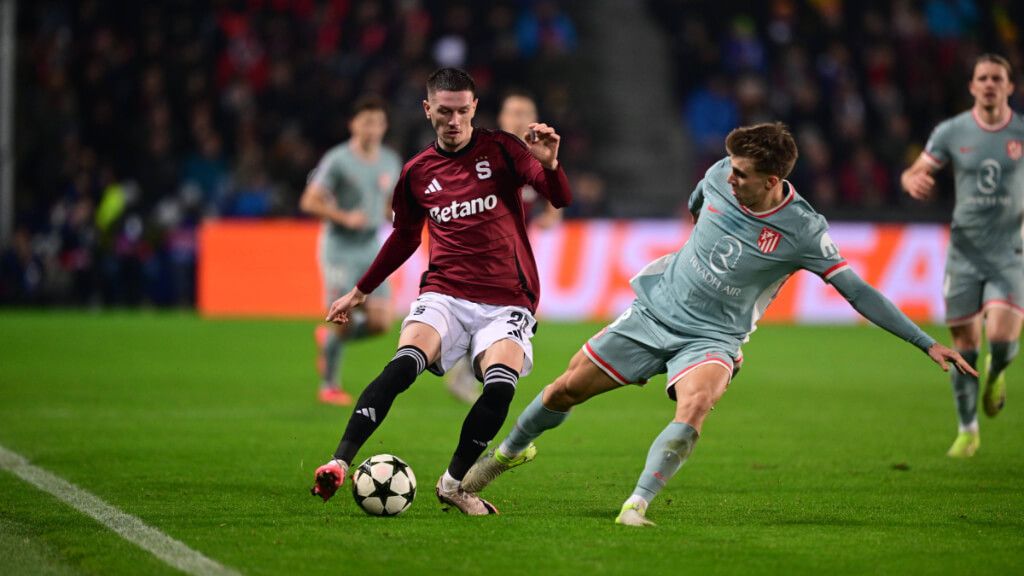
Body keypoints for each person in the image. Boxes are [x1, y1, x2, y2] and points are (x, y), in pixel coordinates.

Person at [461, 123, 975, 526]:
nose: (730, 178)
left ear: (772, 182)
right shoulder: (717, 177)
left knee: (698, 403)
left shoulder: (805, 231)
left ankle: (636, 505)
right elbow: (696, 206)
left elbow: (857, 291)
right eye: (729, 168)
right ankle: (507, 454)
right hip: (655, 311)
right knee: (563, 389)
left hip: (713, 338)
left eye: (742, 174)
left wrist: (926, 343)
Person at [309, 68, 572, 515]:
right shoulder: (416, 173)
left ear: (474, 109)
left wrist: (550, 165)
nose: (453, 120)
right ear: (428, 109)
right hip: (445, 293)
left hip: (507, 299)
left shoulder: (504, 149)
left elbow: (559, 197)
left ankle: (453, 485)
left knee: (500, 388)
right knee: (404, 362)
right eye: (444, 111)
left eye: (462, 111)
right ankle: (338, 460)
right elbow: (404, 238)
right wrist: (360, 291)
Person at [900, 54, 1024, 458]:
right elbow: (914, 170)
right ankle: (968, 429)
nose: (989, 84)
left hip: (1010, 252)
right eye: (982, 78)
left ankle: (998, 372)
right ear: (972, 86)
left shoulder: (1021, 132)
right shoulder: (953, 131)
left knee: (1003, 340)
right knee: (964, 346)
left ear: (1010, 86)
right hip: (965, 254)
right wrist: (912, 178)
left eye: (997, 78)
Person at [445, 89, 563, 404]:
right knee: (489, 309)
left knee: (497, 311)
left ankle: (466, 371)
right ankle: (463, 364)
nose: (520, 118)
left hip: (513, 252)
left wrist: (552, 214)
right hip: (479, 247)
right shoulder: (485, 150)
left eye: (526, 112)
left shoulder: (537, 154)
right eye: (514, 112)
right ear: (502, 117)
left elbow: (554, 189)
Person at [300, 96, 402, 406]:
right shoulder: (338, 159)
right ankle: (329, 384)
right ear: (353, 124)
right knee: (344, 316)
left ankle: (328, 340)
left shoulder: (390, 160)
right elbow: (309, 201)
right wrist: (344, 217)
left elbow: (386, 203)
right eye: (366, 121)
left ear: (384, 126)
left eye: (377, 122)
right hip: (340, 248)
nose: (372, 128)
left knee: (382, 323)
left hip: (371, 246)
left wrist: (394, 215)